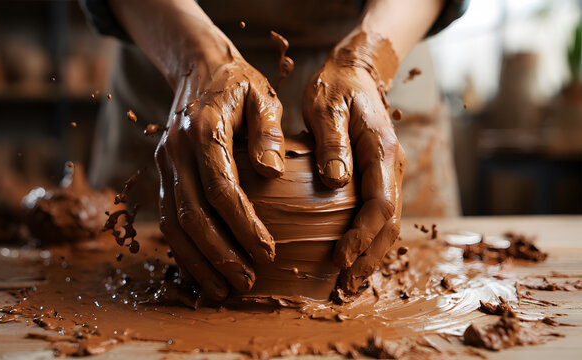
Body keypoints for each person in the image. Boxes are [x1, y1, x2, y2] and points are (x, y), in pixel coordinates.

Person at [81, 0, 467, 301]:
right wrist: (194, 58)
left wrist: (367, 59)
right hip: (170, 55)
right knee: (164, 237)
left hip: (385, 46)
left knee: (394, 246)